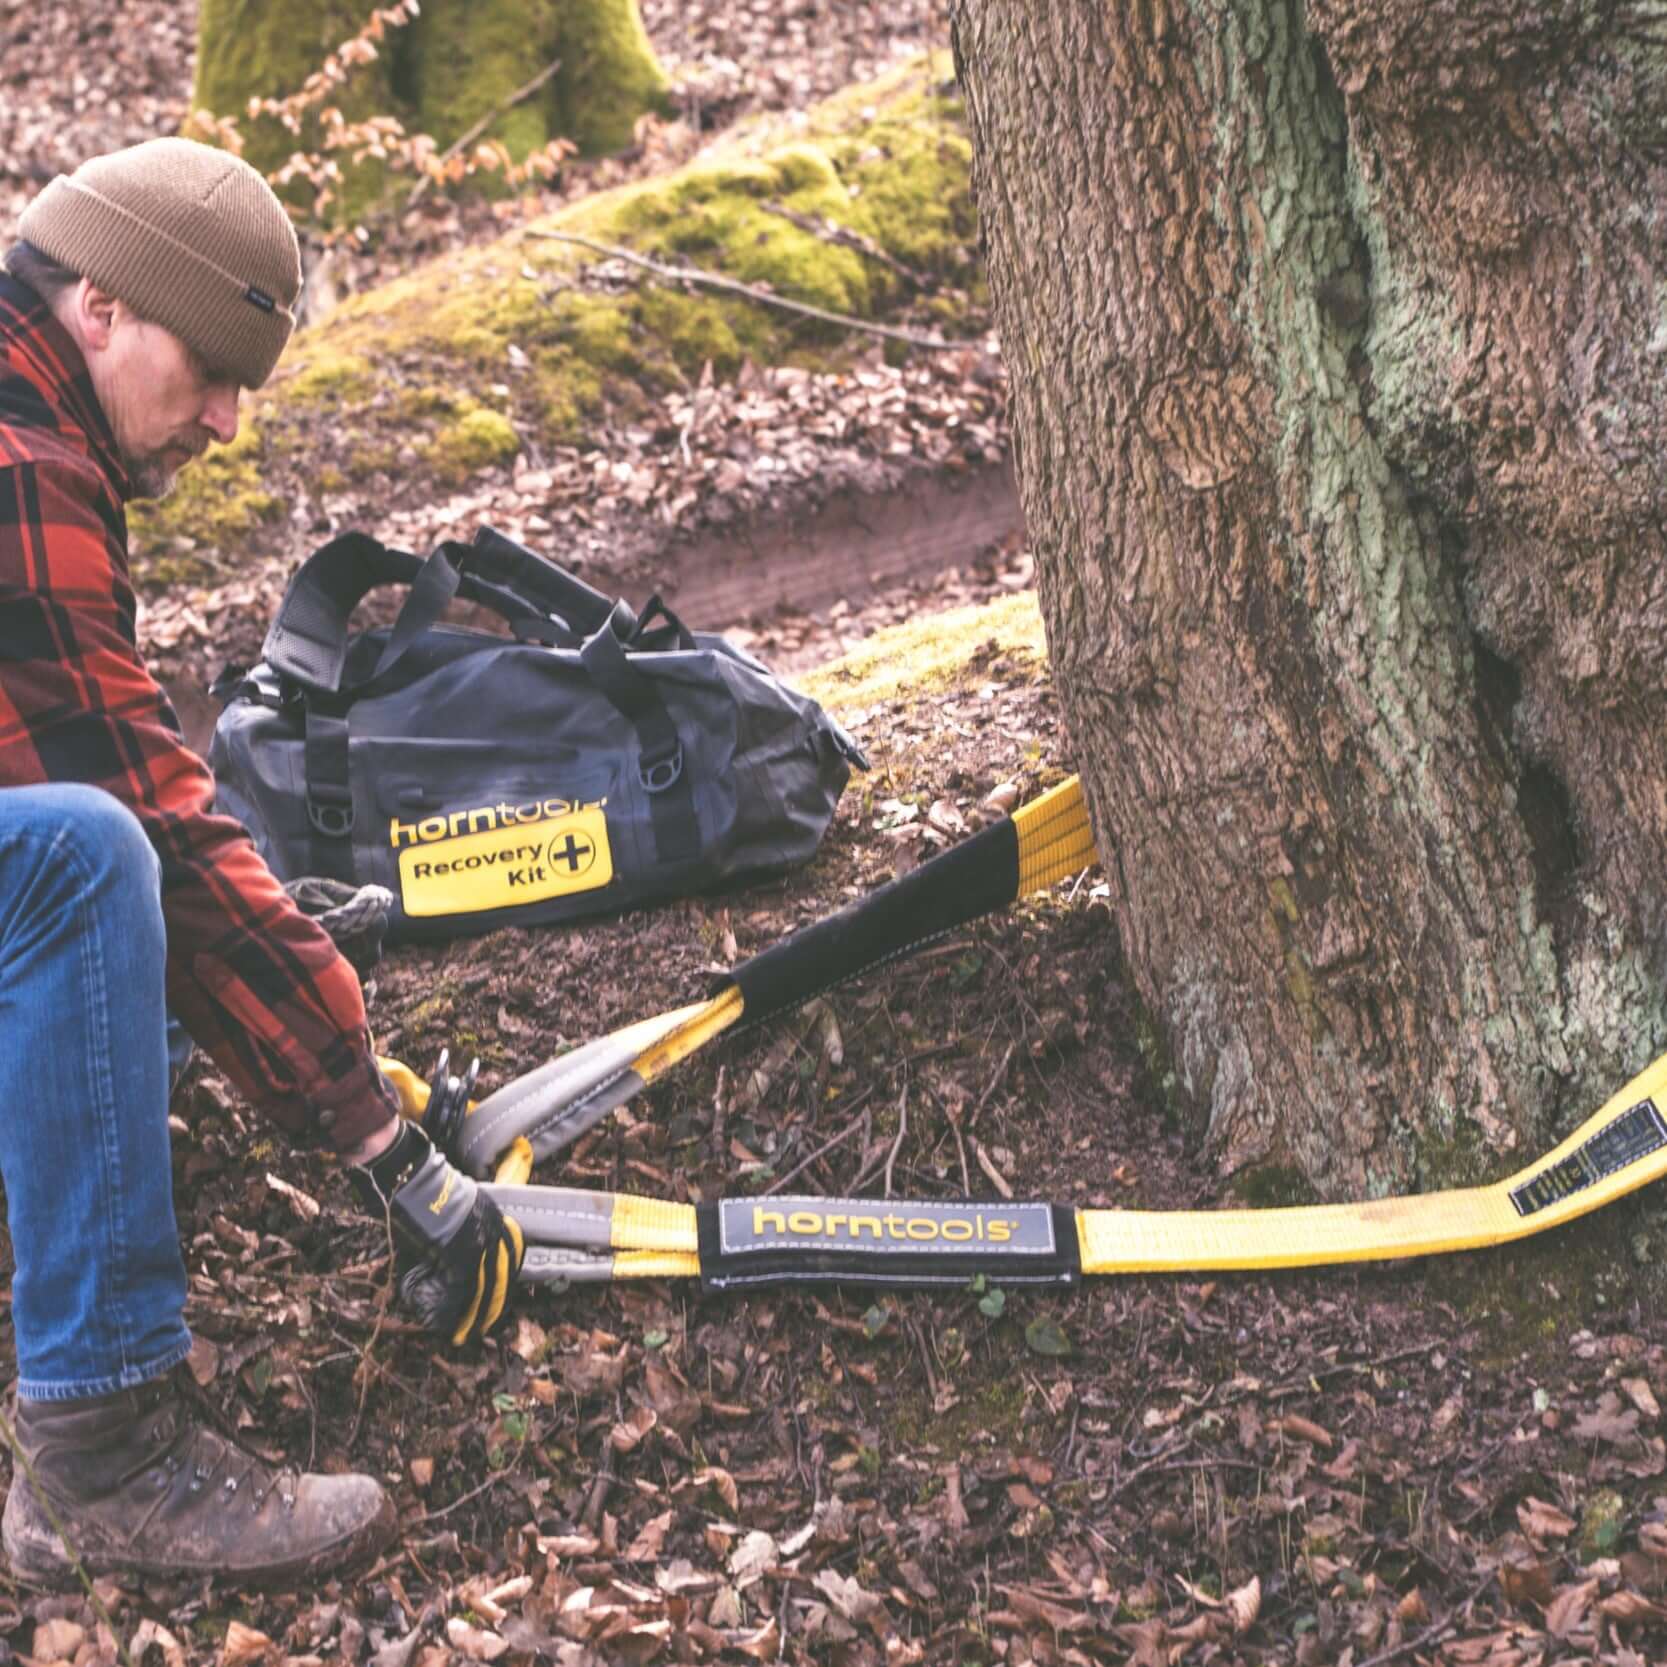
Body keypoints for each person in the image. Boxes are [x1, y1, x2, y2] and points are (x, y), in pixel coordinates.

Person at [0, 138, 523, 1587]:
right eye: (211, 370)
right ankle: (104, 1454)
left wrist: (276, 951)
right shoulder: (15, 461)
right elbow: (140, 818)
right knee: (81, 866)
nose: (227, 423)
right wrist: (375, 1137)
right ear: (99, 306)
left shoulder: (33, 415)